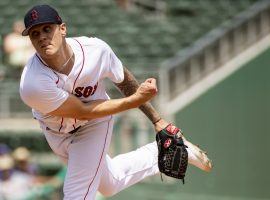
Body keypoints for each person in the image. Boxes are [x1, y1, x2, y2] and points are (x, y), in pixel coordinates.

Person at [19, 4, 212, 200]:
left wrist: (157, 120)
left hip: (94, 125)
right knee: (111, 183)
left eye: (47, 29)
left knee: (77, 194)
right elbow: (82, 111)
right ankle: (160, 153)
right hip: (56, 134)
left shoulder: (95, 50)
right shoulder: (32, 83)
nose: (42, 36)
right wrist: (134, 100)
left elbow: (124, 81)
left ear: (62, 29)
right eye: (34, 34)